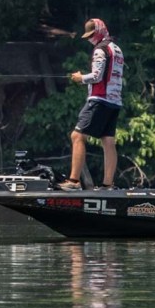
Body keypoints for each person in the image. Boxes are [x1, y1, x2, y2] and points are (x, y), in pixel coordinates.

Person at [59, 18, 125, 190]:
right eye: (88, 36)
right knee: (108, 141)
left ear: (100, 31)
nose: (90, 39)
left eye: (92, 35)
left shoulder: (100, 50)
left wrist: (80, 78)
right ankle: (107, 185)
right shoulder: (117, 49)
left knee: (77, 136)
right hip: (115, 102)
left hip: (99, 99)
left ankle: (74, 181)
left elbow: (97, 76)